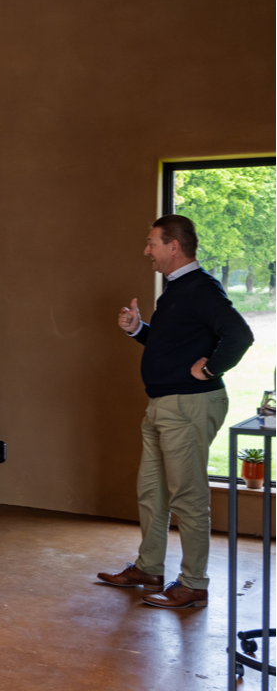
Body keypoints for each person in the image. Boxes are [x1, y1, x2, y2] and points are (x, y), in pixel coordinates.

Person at [97, 214, 254, 609]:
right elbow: (173, 345)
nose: (146, 250)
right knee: (152, 492)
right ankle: (149, 568)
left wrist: (212, 368)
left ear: (174, 246)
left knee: (188, 497)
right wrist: (138, 329)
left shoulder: (200, 288)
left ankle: (194, 584)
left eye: (152, 243)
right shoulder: (176, 289)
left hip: (188, 405)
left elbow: (240, 334)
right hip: (164, 405)